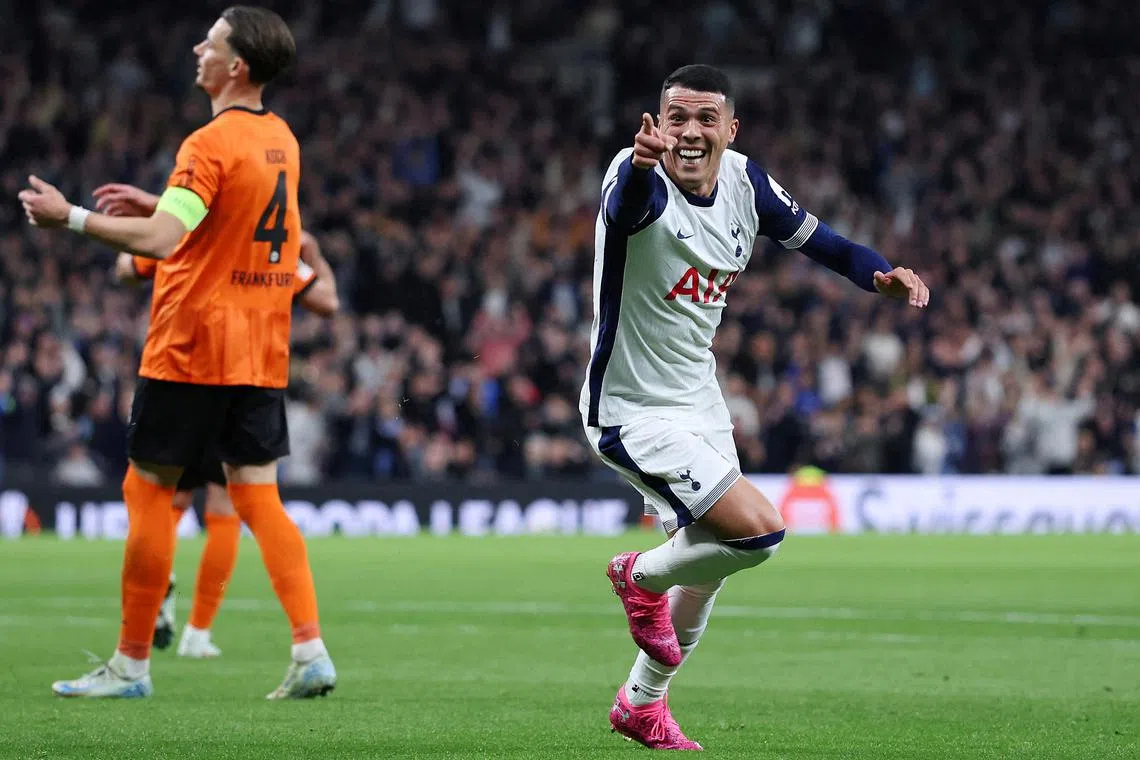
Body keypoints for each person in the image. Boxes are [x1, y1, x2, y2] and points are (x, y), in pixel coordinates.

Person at [583, 65, 929, 749]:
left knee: (710, 568)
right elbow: (626, 210)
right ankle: (637, 575)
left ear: (730, 129)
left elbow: (830, 246)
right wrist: (641, 166)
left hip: (698, 396)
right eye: (676, 117)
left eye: (705, 118)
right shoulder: (636, 174)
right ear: (658, 125)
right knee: (758, 534)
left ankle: (641, 703)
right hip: (632, 407)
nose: (688, 132)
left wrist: (880, 276)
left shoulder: (747, 184)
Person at [20, 6, 338, 699]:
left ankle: (131, 665)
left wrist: (69, 217)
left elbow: (164, 241)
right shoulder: (281, 139)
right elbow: (232, 226)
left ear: (236, 66)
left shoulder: (209, 142)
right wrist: (163, 199)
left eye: (211, 42)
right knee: (259, 497)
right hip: (259, 349)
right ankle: (310, 648)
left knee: (147, 491)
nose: (198, 48)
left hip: (193, 347)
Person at [107, 222, 339, 659]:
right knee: (231, 507)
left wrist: (148, 218)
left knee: (161, 499)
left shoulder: (185, 229)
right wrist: (315, 255)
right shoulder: (269, 247)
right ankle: (200, 631)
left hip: (182, 373)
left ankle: (154, 598)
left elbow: (126, 266)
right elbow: (327, 300)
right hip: (245, 378)